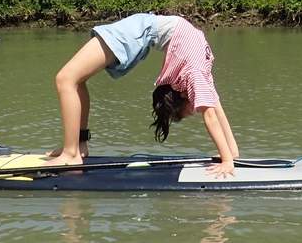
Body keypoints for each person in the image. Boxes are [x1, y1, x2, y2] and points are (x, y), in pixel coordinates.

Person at [46, 12, 239, 178]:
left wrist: (230, 154)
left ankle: (74, 150)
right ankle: (73, 151)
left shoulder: (197, 72)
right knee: (68, 79)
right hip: (138, 29)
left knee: (70, 79)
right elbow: (211, 115)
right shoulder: (195, 74)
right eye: (190, 110)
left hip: (143, 28)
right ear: (183, 94)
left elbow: (215, 105)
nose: (195, 110)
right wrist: (228, 159)